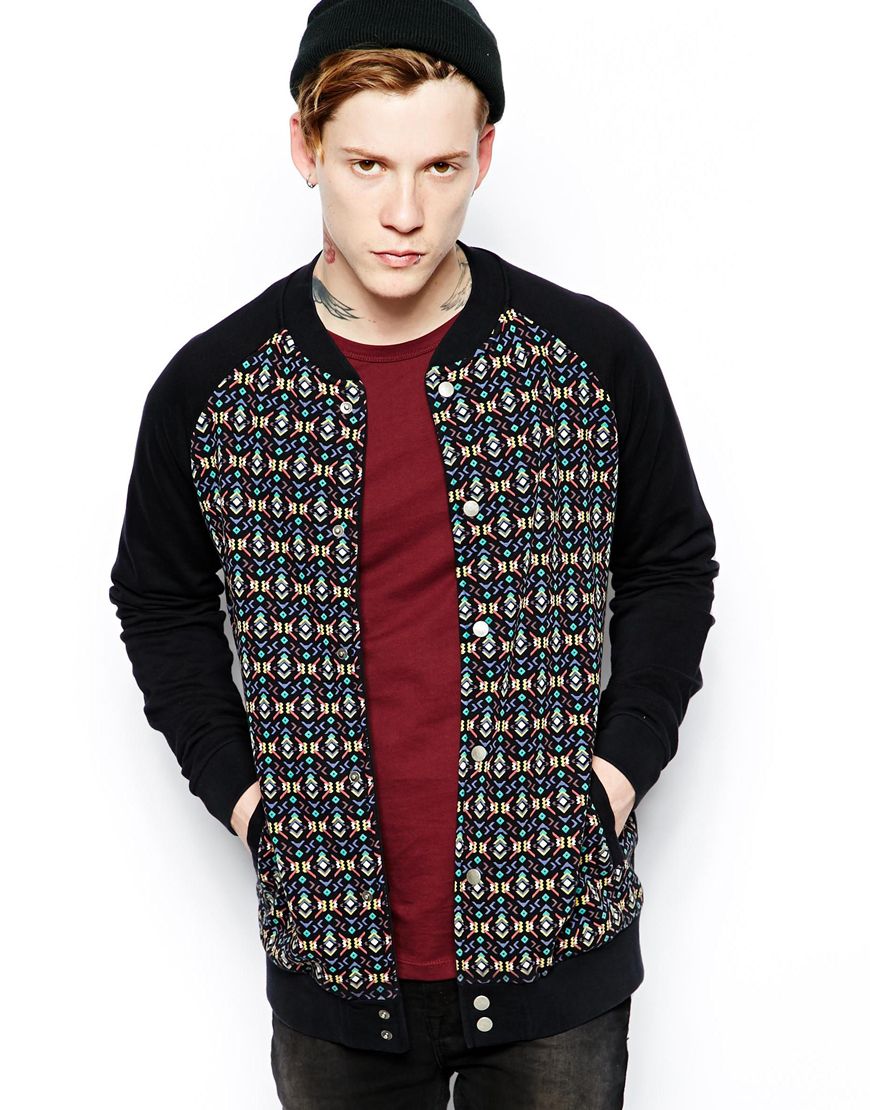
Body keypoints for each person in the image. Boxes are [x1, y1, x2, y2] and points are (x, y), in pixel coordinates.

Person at [108, 2, 719, 1106]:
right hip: (331, 957)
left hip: (557, 942)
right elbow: (157, 600)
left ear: (485, 154)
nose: (404, 212)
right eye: (367, 165)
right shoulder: (216, 391)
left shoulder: (589, 360)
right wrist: (247, 798)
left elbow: (670, 562)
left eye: (440, 166)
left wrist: (620, 769)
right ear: (305, 148)